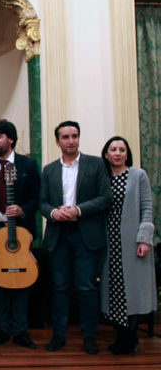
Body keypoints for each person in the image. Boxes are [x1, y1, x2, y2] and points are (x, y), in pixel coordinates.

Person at [39, 120, 111, 355]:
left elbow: (105, 198)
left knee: (87, 288)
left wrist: (78, 210)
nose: (71, 141)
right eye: (66, 137)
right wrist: (53, 212)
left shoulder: (97, 164)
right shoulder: (49, 169)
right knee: (59, 288)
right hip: (58, 235)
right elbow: (42, 202)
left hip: (85, 234)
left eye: (74, 136)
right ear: (57, 141)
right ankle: (59, 335)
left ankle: (90, 336)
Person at [0, 119, 40, 349]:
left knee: (22, 280)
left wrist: (23, 209)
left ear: (10, 139)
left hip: (21, 233)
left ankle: (21, 330)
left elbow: (37, 198)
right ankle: (2, 329)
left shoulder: (28, 165)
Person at [100, 136, 156, 355]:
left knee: (133, 290)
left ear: (127, 154)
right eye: (113, 149)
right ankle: (120, 334)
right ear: (106, 153)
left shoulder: (138, 175)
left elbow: (147, 207)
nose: (117, 153)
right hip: (108, 243)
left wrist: (144, 238)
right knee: (114, 290)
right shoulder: (102, 177)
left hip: (132, 242)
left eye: (122, 149)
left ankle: (130, 338)